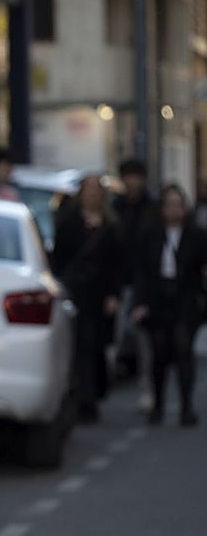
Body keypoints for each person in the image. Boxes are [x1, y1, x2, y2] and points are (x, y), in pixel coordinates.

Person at [131, 184, 207, 427]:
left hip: (185, 297)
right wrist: (140, 302)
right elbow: (141, 272)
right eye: (169, 205)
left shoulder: (197, 235)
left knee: (183, 348)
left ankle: (186, 406)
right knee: (159, 352)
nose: (174, 210)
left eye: (178, 205)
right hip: (158, 297)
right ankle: (159, 404)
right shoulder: (150, 235)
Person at [51, 174, 121, 422]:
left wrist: (114, 293)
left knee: (96, 346)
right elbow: (59, 258)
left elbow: (117, 263)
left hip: (99, 294)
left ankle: (93, 395)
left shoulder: (111, 226)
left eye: (96, 189)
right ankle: (82, 398)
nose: (92, 194)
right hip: (75, 292)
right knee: (79, 345)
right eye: (88, 189)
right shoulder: (69, 223)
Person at [112, 158, 159, 410]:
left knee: (143, 338)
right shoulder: (117, 207)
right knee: (116, 335)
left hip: (144, 281)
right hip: (121, 280)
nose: (132, 182)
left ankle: (147, 387)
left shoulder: (151, 207)